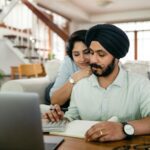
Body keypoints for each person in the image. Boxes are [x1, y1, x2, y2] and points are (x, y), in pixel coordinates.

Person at [44, 24, 150, 142]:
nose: (93, 60)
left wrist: (124, 128)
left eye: (101, 54)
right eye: (91, 52)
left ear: (117, 57)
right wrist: (59, 119)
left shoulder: (141, 85)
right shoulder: (79, 86)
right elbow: (72, 116)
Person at [50, 30, 91, 107]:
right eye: (76, 54)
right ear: (71, 55)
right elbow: (54, 100)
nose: (82, 59)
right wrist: (75, 77)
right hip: (61, 86)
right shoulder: (68, 61)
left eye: (86, 52)